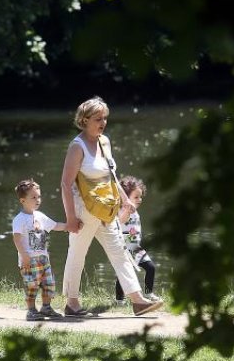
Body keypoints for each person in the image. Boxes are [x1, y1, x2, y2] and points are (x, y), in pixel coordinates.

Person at [60, 96, 163, 317]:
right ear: (84, 120)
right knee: (78, 254)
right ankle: (72, 303)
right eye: (98, 118)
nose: (103, 122)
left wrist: (124, 200)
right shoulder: (76, 147)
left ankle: (137, 301)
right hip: (84, 211)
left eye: (105, 118)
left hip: (106, 209)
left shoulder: (104, 141)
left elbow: (111, 174)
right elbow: (65, 184)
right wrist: (70, 219)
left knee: (119, 251)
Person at [12, 179, 66, 321]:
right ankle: (31, 311)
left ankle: (46, 308)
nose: (37, 200)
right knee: (31, 286)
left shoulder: (40, 216)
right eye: (33, 197)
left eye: (39, 196)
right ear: (23, 200)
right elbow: (17, 239)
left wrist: (69, 226)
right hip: (29, 260)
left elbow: (55, 226)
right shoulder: (19, 219)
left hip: (43, 259)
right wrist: (24, 256)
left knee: (49, 283)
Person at [114, 175, 160, 305]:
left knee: (150, 267)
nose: (139, 200)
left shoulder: (135, 211)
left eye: (140, 197)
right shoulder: (123, 209)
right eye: (136, 197)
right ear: (125, 197)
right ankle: (119, 299)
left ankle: (148, 293)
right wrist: (127, 210)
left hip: (136, 247)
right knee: (123, 274)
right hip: (125, 248)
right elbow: (121, 220)